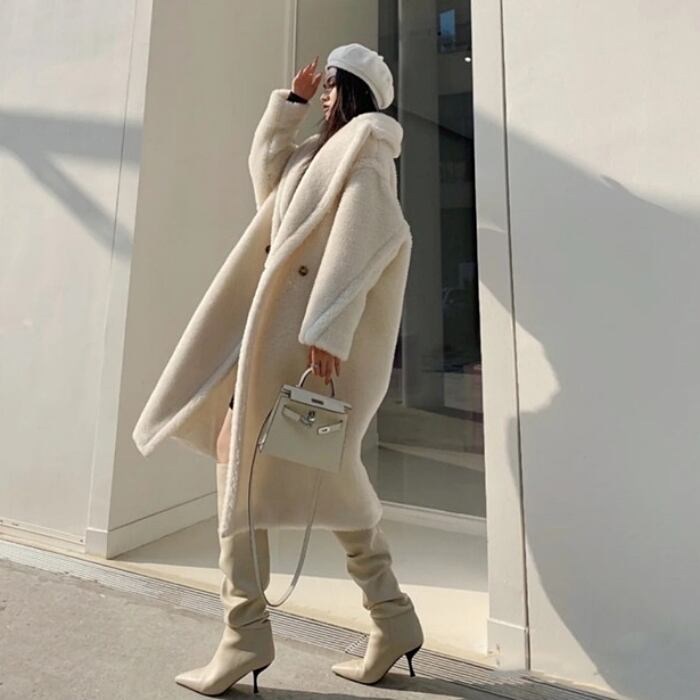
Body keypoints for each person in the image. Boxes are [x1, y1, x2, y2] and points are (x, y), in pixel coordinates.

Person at [132, 43, 422, 695]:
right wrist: (289, 107)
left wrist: (329, 329)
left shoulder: (369, 149)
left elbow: (368, 238)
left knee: (270, 469)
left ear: (356, 93)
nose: (325, 95)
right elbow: (269, 194)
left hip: (307, 351)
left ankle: (246, 635)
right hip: (281, 343)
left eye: (333, 86)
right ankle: (390, 618)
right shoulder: (319, 151)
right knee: (314, 476)